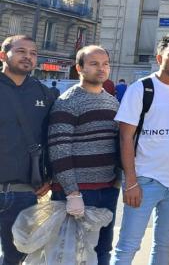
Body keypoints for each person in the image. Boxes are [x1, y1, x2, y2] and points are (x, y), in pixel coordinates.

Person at [113, 34, 169, 265]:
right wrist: (131, 181)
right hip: (144, 180)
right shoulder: (141, 89)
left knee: (164, 245)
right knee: (128, 246)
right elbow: (125, 138)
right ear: (159, 58)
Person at [48, 45, 120, 265]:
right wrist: (72, 193)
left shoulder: (112, 101)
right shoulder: (67, 102)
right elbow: (59, 149)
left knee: (102, 251)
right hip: (78, 192)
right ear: (79, 68)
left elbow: (116, 143)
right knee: (71, 255)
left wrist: (117, 180)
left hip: (107, 189)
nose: (101, 68)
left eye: (105, 64)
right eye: (94, 64)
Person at [0, 35, 54, 265]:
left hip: (23, 192)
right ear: (3, 55)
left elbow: (52, 139)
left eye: (33, 53)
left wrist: (50, 176)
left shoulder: (45, 94)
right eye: (21, 51)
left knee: (15, 257)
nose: (28, 57)